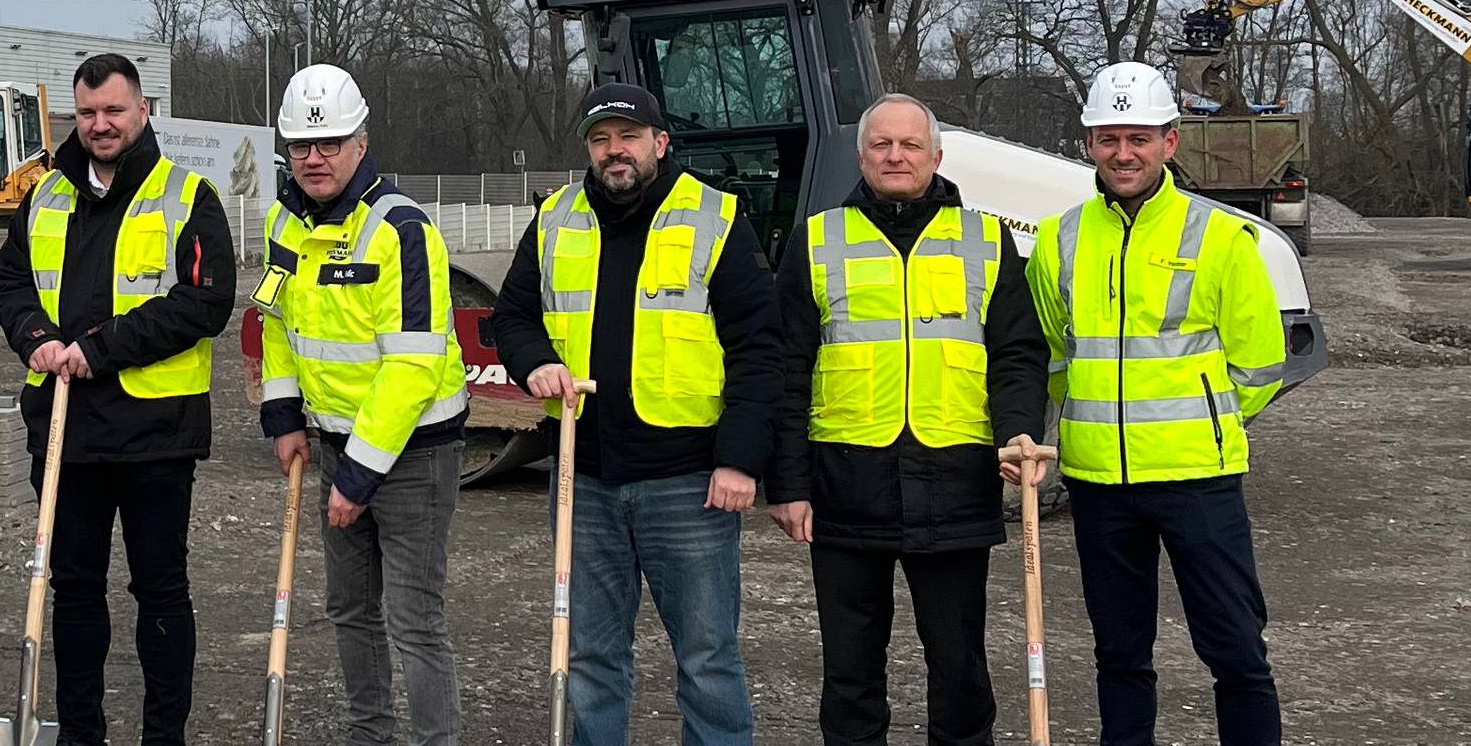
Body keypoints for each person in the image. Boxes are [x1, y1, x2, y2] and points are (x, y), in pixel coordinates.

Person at [481, 83, 786, 746]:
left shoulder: (715, 216)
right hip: (582, 478)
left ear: (660, 143)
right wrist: (534, 360)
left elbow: (760, 348)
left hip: (688, 482)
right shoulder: (556, 217)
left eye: (627, 137)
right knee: (590, 660)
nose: (614, 151)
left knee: (707, 660)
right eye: (600, 139)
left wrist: (739, 458)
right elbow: (510, 316)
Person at [764, 95, 1048, 746]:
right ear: (862, 156)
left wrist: (1017, 430)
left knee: (959, 668)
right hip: (844, 488)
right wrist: (787, 483)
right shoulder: (817, 238)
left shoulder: (985, 239)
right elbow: (784, 367)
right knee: (850, 674)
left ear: (937, 157)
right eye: (882, 145)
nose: (896, 155)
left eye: (910, 145)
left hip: (954, 484)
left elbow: (1018, 352)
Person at [1028, 62, 1286, 746]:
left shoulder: (1223, 238)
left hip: (1198, 479)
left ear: (1170, 142)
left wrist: (1198, 421)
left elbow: (1260, 364)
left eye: (1138, 137)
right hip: (1099, 484)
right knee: (1119, 655)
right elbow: (1056, 354)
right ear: (1087, 143)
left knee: (1235, 651)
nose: (1123, 153)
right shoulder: (1058, 240)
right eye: (1108, 138)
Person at [0, 53, 235, 746]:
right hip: (65, 433)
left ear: (143, 110)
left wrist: (101, 347)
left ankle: (164, 734)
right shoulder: (46, 194)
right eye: (88, 113)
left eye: (113, 111)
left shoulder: (187, 195)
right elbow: (7, 282)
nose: (100, 125)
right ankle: (80, 732)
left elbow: (205, 302)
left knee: (160, 591)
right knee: (74, 589)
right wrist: (34, 336)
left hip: (156, 432)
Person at [255, 64, 465, 746]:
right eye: (300, 146)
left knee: (413, 618)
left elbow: (412, 366)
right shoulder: (284, 219)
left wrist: (359, 477)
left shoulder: (400, 229)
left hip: (414, 450)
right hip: (335, 442)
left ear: (361, 142)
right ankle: (370, 735)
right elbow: (280, 326)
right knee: (349, 609)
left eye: (331, 143)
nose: (314, 158)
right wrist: (284, 416)